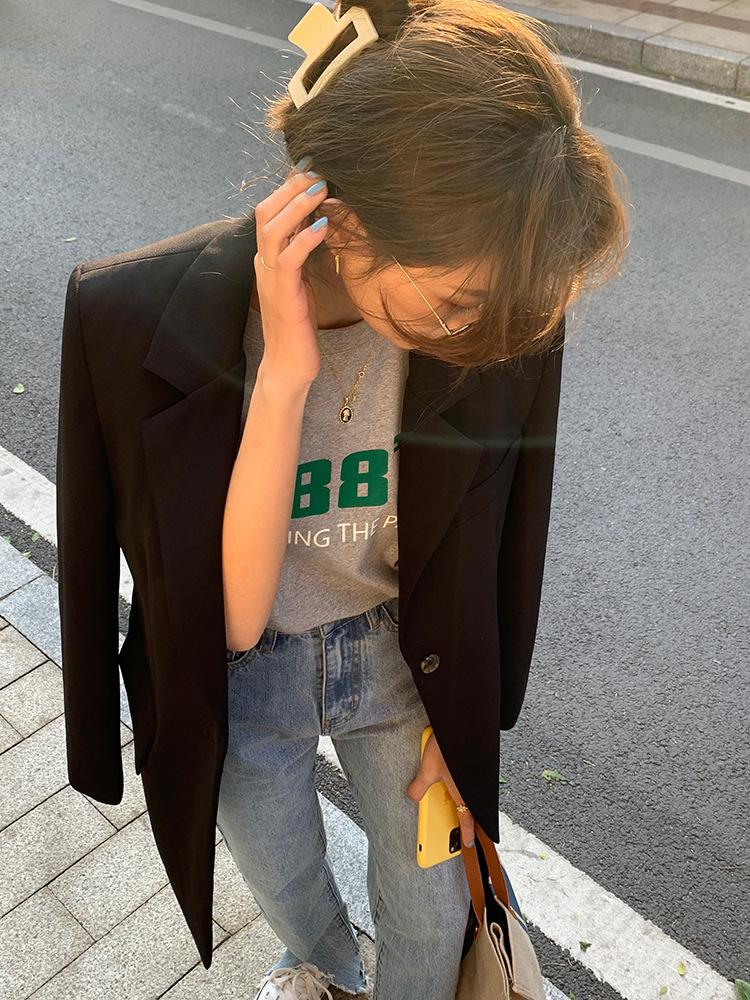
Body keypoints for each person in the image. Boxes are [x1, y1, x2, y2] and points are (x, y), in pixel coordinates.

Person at [55, 0, 630, 998]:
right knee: (293, 903)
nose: (478, 335)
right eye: (454, 302)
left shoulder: (496, 311)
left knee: (435, 919)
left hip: (402, 652)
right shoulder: (129, 315)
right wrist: (283, 378)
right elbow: (228, 623)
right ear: (347, 221)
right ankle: (322, 975)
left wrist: (473, 726)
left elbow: (508, 530)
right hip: (243, 680)